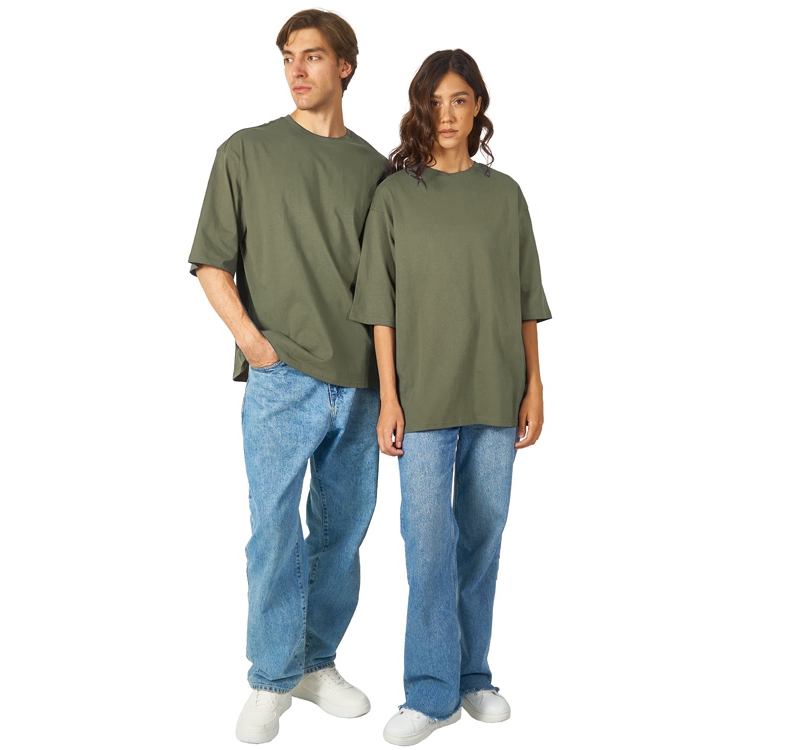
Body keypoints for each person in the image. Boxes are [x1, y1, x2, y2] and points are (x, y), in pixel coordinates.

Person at [187, 9, 387, 744]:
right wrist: (255, 345)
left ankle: (315, 663)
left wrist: (390, 386)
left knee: (342, 533)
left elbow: (388, 288)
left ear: (345, 66)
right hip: (282, 378)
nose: (297, 70)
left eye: (312, 56)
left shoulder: (376, 170)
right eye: (287, 58)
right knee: (273, 531)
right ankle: (271, 677)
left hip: (361, 383)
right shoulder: (246, 151)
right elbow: (211, 262)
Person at [349, 48, 552, 746]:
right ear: (419, 110)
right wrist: (389, 397)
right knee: (428, 546)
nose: (446, 114)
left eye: (459, 100)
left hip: (497, 395)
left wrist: (535, 385)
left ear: (478, 108)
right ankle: (430, 691)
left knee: (483, 538)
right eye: (433, 102)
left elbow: (526, 299)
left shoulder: (506, 196)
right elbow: (380, 309)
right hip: (423, 402)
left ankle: (472, 676)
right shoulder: (396, 196)